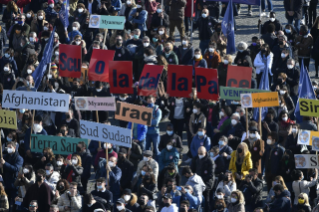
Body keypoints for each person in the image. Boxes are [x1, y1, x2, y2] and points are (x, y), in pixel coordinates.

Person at [1, 141, 23, 212]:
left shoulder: (19, 158)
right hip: (6, 184)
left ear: (14, 148)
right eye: (7, 147)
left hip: (16, 186)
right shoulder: (4, 157)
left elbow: (16, 169)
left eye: (10, 147)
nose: (8, 149)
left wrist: (5, 164)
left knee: (17, 204)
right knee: (6, 204)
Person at [191, 146, 215, 212]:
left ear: (205, 152)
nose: (200, 155)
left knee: (206, 198)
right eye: (199, 153)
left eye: (201, 153)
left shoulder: (210, 161)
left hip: (207, 182)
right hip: (197, 181)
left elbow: (210, 174)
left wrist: (200, 181)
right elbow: (192, 170)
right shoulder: (195, 159)